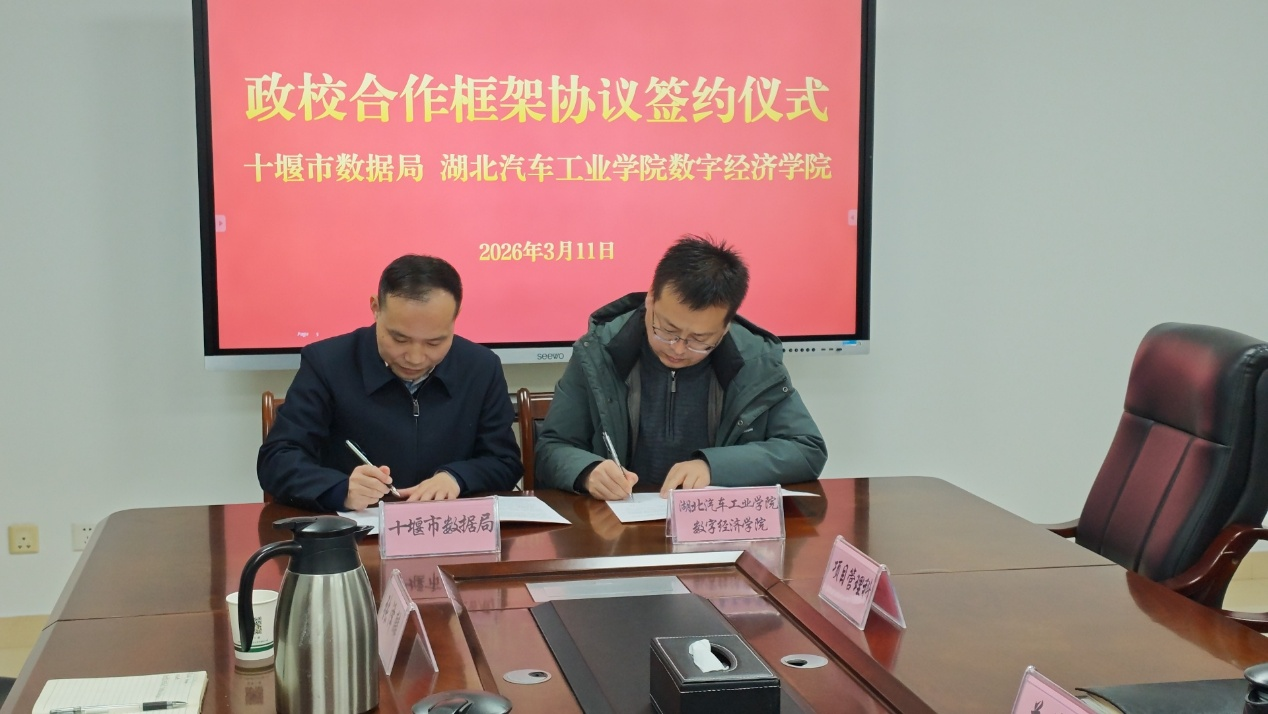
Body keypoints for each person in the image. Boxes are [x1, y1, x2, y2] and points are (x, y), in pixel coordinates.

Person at [535, 235, 826, 500]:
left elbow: (806, 449)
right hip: (617, 524)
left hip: (714, 524)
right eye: (667, 330)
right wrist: (587, 471)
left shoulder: (755, 361)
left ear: (726, 326)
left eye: (700, 340)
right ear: (651, 299)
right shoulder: (598, 351)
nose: (677, 348)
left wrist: (714, 467)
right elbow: (552, 448)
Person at [258, 254, 521, 511]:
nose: (415, 358)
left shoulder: (481, 367)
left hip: (449, 528)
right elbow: (277, 459)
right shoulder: (327, 363)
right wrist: (341, 489)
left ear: (456, 316)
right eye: (399, 339)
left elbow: (505, 461)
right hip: (357, 531)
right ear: (375, 308)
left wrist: (456, 478)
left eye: (434, 343)